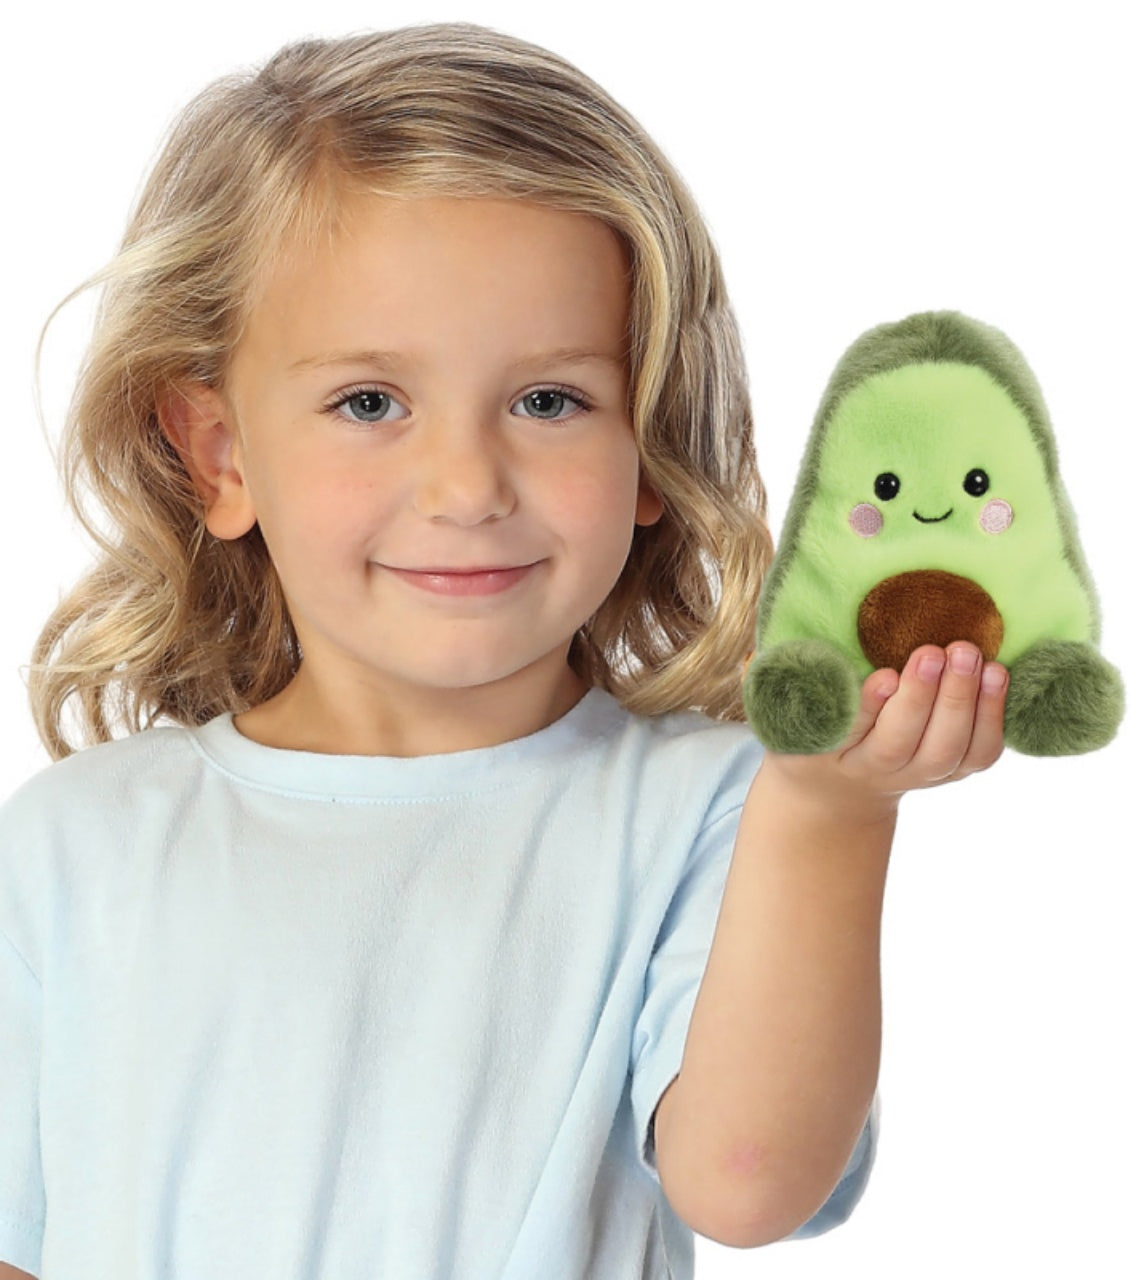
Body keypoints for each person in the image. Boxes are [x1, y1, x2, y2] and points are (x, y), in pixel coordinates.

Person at [0, 22, 1007, 1280]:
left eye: (548, 400)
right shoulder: (76, 843)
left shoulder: (717, 813)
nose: (467, 485)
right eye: (369, 401)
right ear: (221, 453)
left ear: (649, 439)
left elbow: (746, 1183)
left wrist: (832, 811)